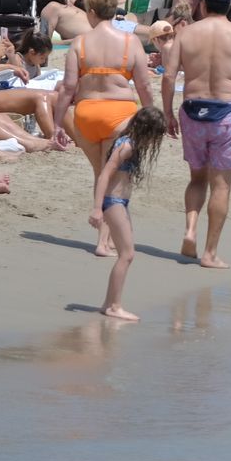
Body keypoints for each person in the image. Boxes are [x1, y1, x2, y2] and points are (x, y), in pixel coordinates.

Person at [163, 0, 231, 268]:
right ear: (229, 6)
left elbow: (169, 76)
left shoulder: (186, 34)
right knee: (221, 186)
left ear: (203, 5)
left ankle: (190, 229)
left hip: (193, 110)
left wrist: (168, 112)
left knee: (197, 178)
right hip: (226, 113)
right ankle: (209, 253)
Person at [63, 0, 157, 256]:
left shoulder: (80, 42)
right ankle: (105, 242)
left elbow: (68, 86)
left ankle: (106, 235)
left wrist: (58, 122)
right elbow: (144, 86)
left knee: (101, 174)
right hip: (119, 114)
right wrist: (149, 115)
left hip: (86, 113)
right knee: (115, 177)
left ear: (92, 12)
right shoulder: (130, 42)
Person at [88, 107, 168, 321]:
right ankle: (114, 306)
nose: (155, 141)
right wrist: (97, 209)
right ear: (146, 129)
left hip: (120, 202)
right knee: (127, 255)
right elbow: (104, 175)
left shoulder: (130, 143)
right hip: (112, 202)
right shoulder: (126, 146)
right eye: (155, 134)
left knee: (126, 253)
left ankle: (109, 303)